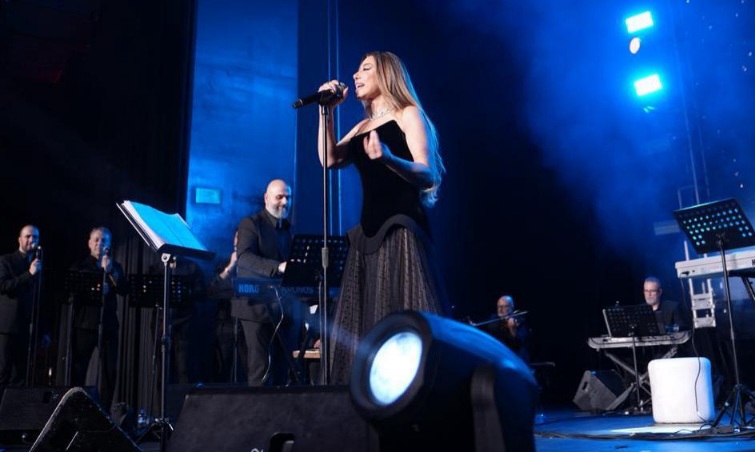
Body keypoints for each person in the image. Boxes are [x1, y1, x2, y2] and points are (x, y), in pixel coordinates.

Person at [316, 51, 450, 384]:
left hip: (401, 227)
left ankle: (417, 390)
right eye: (356, 69)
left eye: (366, 69)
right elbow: (329, 159)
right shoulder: (362, 127)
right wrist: (326, 112)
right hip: (368, 234)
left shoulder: (407, 114)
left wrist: (389, 159)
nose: (356, 75)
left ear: (387, 75)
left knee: (404, 313)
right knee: (368, 320)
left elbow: (428, 173)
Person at [231, 179, 305, 386]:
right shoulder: (251, 224)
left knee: (284, 369)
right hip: (256, 308)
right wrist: (278, 267)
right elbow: (244, 257)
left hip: (284, 308)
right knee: (261, 370)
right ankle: (258, 408)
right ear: (266, 198)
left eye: (288, 197)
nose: (285, 202)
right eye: (279, 197)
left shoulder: (289, 229)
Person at [69, 226, 128, 410]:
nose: (99, 244)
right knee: (79, 369)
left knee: (109, 371)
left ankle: (105, 411)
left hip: (109, 325)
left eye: (104, 241)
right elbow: (73, 292)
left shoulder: (115, 266)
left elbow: (124, 290)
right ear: (89, 243)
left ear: (109, 245)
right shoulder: (80, 266)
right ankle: (75, 408)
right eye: (96, 240)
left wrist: (110, 271)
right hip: (85, 324)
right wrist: (95, 290)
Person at [0, 225, 47, 389]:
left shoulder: (37, 264)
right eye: (27, 236)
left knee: (20, 374)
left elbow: (41, 298)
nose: (31, 240)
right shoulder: (6, 260)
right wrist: (29, 274)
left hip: (28, 327)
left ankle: (14, 406)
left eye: (35, 237)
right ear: (19, 239)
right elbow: (4, 286)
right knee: (3, 370)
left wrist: (43, 330)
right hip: (8, 326)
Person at [147, 256, 206, 384]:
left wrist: (187, 292)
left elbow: (202, 292)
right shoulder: (156, 267)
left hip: (185, 322)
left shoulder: (191, 266)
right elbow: (148, 290)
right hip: (162, 320)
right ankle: (161, 397)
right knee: (162, 368)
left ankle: (184, 396)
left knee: (184, 367)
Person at [207, 230, 243, 383]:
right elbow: (212, 290)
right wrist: (230, 267)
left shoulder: (254, 264)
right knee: (224, 366)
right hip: (226, 323)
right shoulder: (223, 263)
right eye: (236, 238)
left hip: (247, 322)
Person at [484, 295, 529, 363]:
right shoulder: (493, 319)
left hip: (514, 357)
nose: (500, 310)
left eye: (504, 307)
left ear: (511, 307)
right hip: (497, 357)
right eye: (499, 306)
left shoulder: (520, 321)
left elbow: (518, 344)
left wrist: (512, 329)